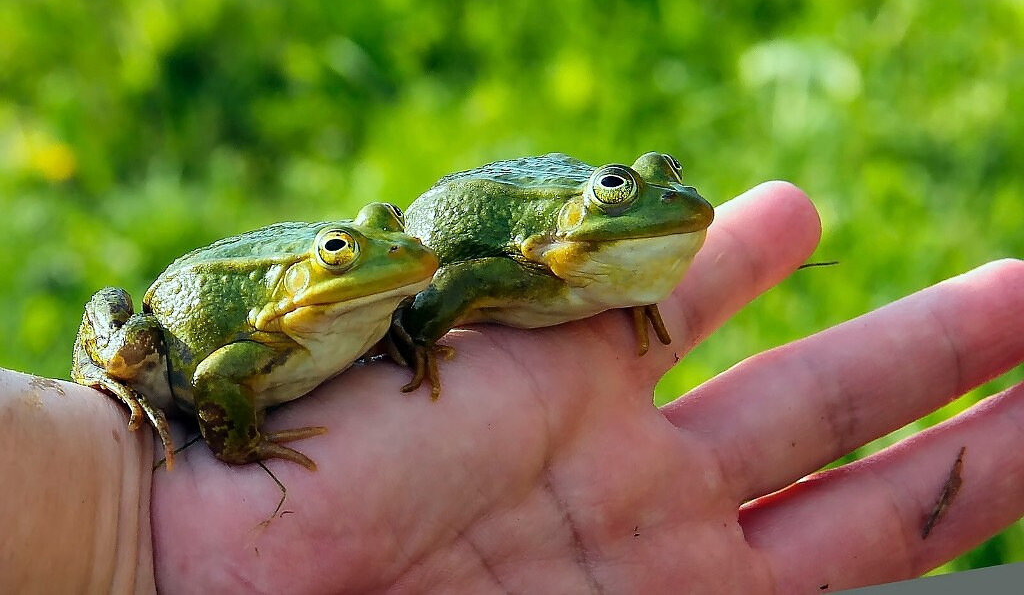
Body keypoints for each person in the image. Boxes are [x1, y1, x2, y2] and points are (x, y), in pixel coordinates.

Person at [3, 182, 1022, 593]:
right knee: (133, 345)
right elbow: (223, 375)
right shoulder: (265, 331)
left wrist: (112, 530)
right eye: (349, 251)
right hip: (184, 326)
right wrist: (185, 467)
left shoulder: (379, 297)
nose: (405, 258)